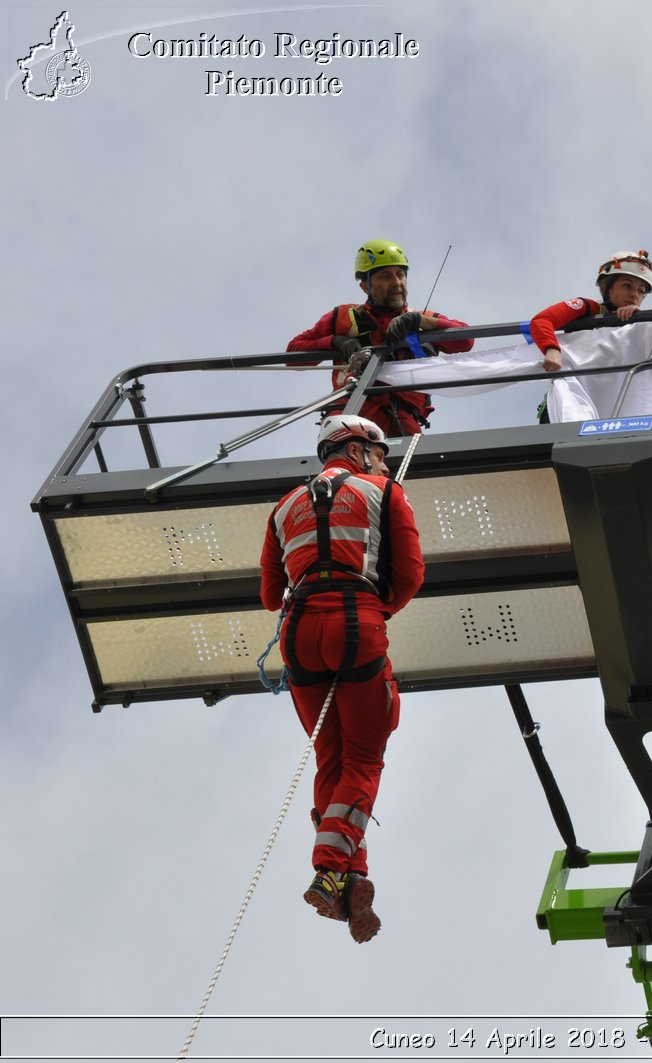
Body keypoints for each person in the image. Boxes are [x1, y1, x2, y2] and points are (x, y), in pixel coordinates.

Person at [259, 414, 425, 942]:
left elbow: (270, 595)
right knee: (363, 758)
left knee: (331, 760)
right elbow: (410, 575)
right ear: (356, 451)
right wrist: (379, 612)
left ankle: (351, 873)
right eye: (377, 453)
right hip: (357, 622)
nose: (382, 462)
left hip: (299, 634)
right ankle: (330, 864)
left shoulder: (283, 507)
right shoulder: (385, 490)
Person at [288, 239, 474, 436]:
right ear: (365, 286)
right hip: (351, 413)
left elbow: (466, 340)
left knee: (409, 464)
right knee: (345, 459)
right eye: (385, 276)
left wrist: (421, 321)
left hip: (404, 420)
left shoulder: (423, 319)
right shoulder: (344, 317)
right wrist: (334, 342)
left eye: (400, 274)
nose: (396, 282)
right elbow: (293, 355)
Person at [527, 250, 652, 374]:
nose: (634, 295)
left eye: (641, 291)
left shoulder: (647, 327)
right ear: (606, 287)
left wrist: (636, 320)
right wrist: (552, 349)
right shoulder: (590, 308)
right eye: (627, 286)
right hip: (577, 389)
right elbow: (542, 320)